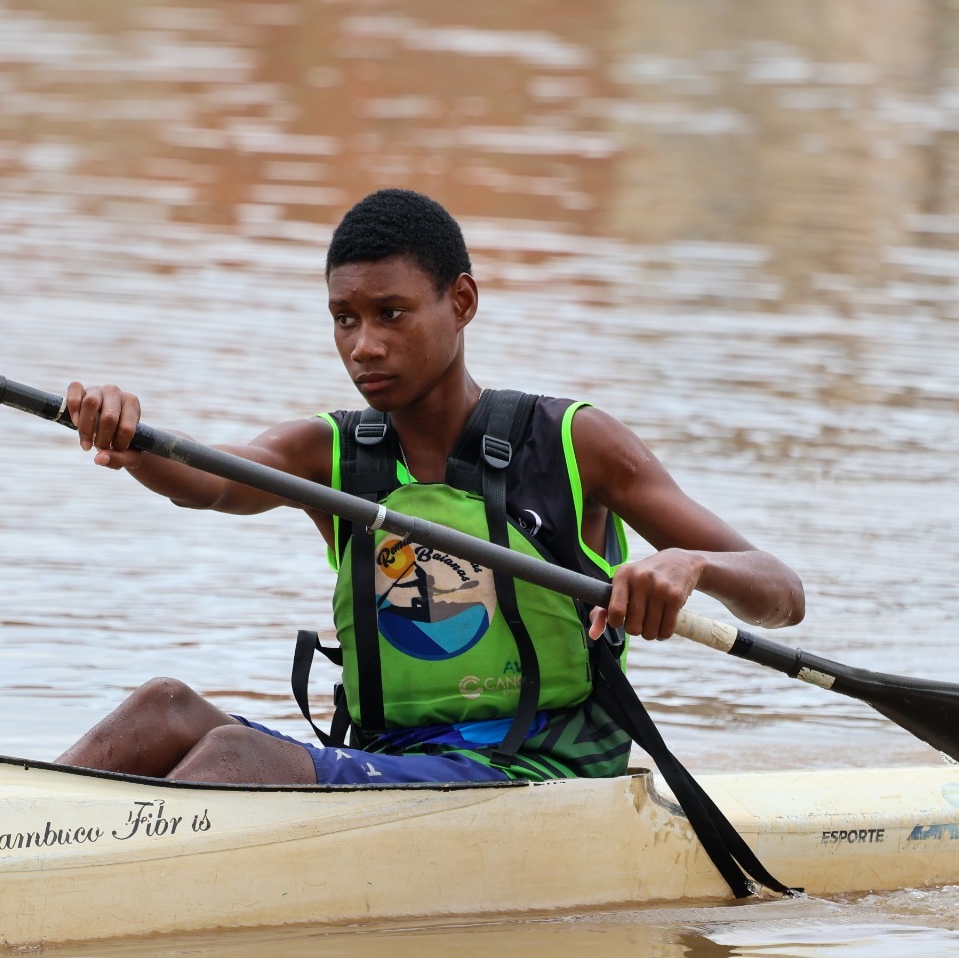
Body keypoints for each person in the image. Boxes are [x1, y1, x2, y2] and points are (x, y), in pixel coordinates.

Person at [56, 188, 804, 786]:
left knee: (237, 759)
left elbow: (782, 592)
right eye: (343, 319)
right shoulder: (331, 450)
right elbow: (208, 481)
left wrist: (692, 566)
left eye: (391, 314)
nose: (363, 345)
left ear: (463, 303)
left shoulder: (575, 443)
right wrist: (130, 438)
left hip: (541, 770)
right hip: (392, 757)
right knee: (158, 711)